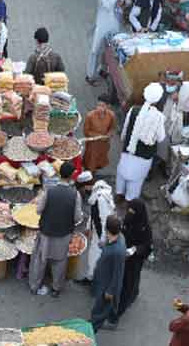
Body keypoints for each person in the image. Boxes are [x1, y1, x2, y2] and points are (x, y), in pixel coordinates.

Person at [29, 161, 83, 297]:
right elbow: (77, 218)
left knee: (40, 259)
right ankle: (56, 288)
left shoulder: (49, 191)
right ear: (71, 176)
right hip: (63, 235)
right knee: (59, 262)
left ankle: (35, 286)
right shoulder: (75, 195)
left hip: (46, 232)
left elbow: (38, 210)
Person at [116, 83, 166, 201]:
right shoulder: (158, 117)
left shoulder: (134, 110)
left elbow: (125, 127)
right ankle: (130, 201)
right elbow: (161, 138)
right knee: (136, 181)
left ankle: (119, 195)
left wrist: (124, 141)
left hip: (128, 151)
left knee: (121, 175)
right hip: (144, 156)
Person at [86, 0, 126, 84]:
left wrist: (121, 1)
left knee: (109, 48)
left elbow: (121, 1)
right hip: (103, 21)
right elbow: (107, 5)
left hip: (115, 21)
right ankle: (90, 75)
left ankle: (103, 69)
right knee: (95, 49)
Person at [117, 198, 153, 318]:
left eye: (133, 210)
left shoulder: (145, 227)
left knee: (130, 281)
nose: (130, 212)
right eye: (129, 210)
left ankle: (120, 310)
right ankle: (132, 293)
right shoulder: (129, 217)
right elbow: (124, 228)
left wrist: (134, 250)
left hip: (135, 259)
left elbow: (146, 245)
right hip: (124, 254)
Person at [90, 214, 126, 332]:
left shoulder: (117, 251)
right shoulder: (118, 238)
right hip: (104, 277)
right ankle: (112, 321)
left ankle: (92, 327)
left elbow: (118, 273)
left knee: (101, 306)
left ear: (107, 229)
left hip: (107, 283)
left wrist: (110, 291)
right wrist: (104, 245)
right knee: (111, 305)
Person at [82, 102, 116, 172]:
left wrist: (109, 134)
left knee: (100, 161)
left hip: (104, 144)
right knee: (90, 161)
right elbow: (86, 132)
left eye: (102, 106)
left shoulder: (111, 115)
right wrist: (99, 136)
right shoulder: (90, 116)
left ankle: (95, 171)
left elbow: (112, 128)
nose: (99, 108)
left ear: (108, 106)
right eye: (98, 105)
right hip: (92, 145)